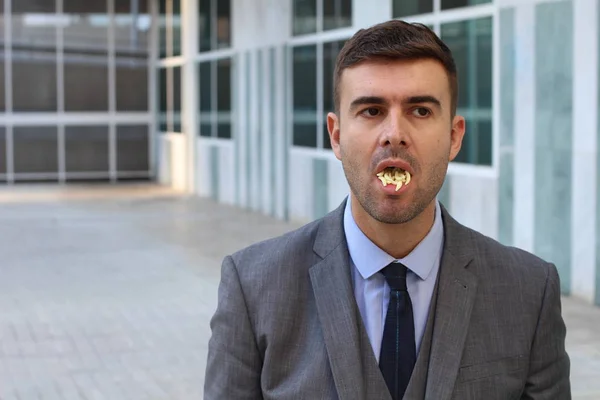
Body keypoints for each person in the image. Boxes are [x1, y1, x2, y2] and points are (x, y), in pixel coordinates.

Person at [204, 20, 571, 400]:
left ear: (454, 136)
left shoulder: (530, 291)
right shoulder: (252, 287)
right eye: (372, 110)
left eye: (421, 111)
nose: (394, 133)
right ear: (336, 135)